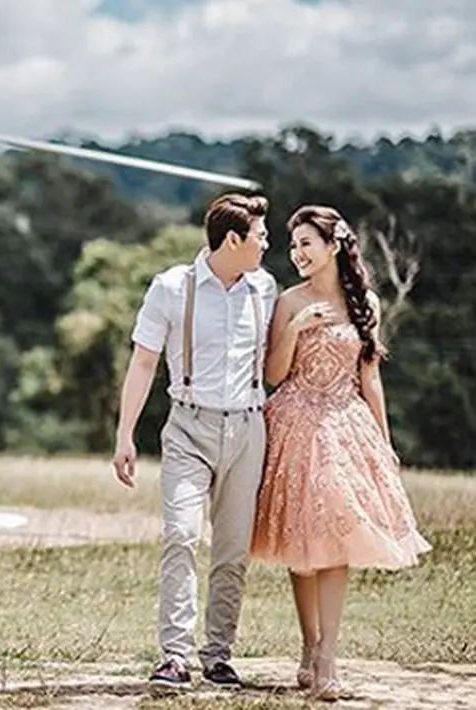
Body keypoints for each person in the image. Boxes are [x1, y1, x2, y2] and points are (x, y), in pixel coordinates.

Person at [249, 204, 430, 701]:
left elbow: (370, 376)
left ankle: (329, 653)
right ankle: (309, 646)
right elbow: (274, 375)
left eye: (306, 242)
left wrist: (384, 442)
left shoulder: (364, 299)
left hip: (346, 425)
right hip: (294, 423)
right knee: (301, 548)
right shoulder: (287, 300)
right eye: (293, 245)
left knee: (336, 536)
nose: (298, 253)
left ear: (333, 246)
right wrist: (295, 327)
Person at [112, 192, 277, 691]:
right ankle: (175, 656)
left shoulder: (265, 289)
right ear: (233, 240)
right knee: (181, 535)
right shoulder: (171, 288)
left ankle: (219, 655)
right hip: (187, 427)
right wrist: (124, 436)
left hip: (248, 428)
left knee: (231, 550)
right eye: (260, 236)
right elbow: (143, 363)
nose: (267, 244)